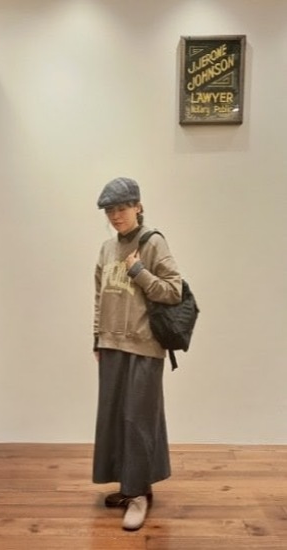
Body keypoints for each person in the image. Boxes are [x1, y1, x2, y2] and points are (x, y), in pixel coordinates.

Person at [92, 177, 182, 531]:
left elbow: (173, 291)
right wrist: (97, 338)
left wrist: (139, 271)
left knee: (138, 420)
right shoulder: (105, 249)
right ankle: (130, 487)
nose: (116, 216)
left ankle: (139, 494)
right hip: (111, 345)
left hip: (144, 346)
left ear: (138, 206)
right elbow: (99, 297)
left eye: (122, 208)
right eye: (109, 211)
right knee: (115, 419)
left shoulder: (153, 242)